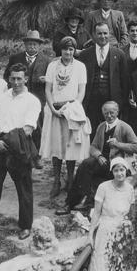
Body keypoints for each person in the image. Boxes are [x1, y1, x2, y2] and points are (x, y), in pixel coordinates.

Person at [0, 63, 42, 240]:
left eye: (19, 78)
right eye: (12, 78)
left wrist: (7, 141)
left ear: (26, 79)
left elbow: (28, 128)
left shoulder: (32, 101)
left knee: (23, 187)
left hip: (19, 146)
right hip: (0, 145)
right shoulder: (3, 97)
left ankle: (25, 225)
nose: (15, 82)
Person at [57, 101, 137, 215]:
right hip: (104, 162)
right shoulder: (102, 126)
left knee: (90, 166)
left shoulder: (124, 127)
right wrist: (99, 155)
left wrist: (118, 144)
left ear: (117, 112)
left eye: (112, 113)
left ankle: (87, 203)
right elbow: (93, 146)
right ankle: (71, 203)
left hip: (118, 164)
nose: (109, 116)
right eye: (106, 113)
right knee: (85, 165)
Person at [40, 36, 89, 198]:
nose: (68, 52)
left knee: (70, 146)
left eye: (71, 49)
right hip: (55, 109)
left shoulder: (80, 67)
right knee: (56, 146)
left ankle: (70, 178)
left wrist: (73, 108)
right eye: (65, 49)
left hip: (71, 110)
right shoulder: (53, 66)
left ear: (74, 51)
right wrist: (53, 108)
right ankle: (56, 181)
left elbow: (81, 91)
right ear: (60, 50)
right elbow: (48, 89)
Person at [88, 157, 137, 271]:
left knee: (122, 267)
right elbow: (97, 212)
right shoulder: (103, 187)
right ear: (112, 172)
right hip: (106, 229)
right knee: (105, 267)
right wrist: (91, 232)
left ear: (126, 171)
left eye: (122, 170)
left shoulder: (129, 189)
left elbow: (132, 213)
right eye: (116, 170)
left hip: (123, 230)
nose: (119, 173)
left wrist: (132, 233)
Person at [4, 30, 51, 157]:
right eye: (29, 44)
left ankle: (35, 154)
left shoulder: (46, 61)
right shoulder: (15, 58)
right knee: (18, 124)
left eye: (35, 44)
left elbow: (51, 81)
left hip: (38, 99)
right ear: (25, 45)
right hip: (19, 98)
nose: (32, 47)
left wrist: (46, 79)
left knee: (37, 126)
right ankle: (18, 151)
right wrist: (14, 90)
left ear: (39, 46)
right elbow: (7, 76)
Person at [79, 22, 130, 132]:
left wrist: (121, 102)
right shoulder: (85, 55)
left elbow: (125, 81)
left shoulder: (119, 54)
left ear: (109, 34)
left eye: (105, 33)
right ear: (94, 34)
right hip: (91, 101)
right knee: (91, 130)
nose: (103, 36)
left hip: (111, 99)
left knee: (110, 130)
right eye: (99, 33)